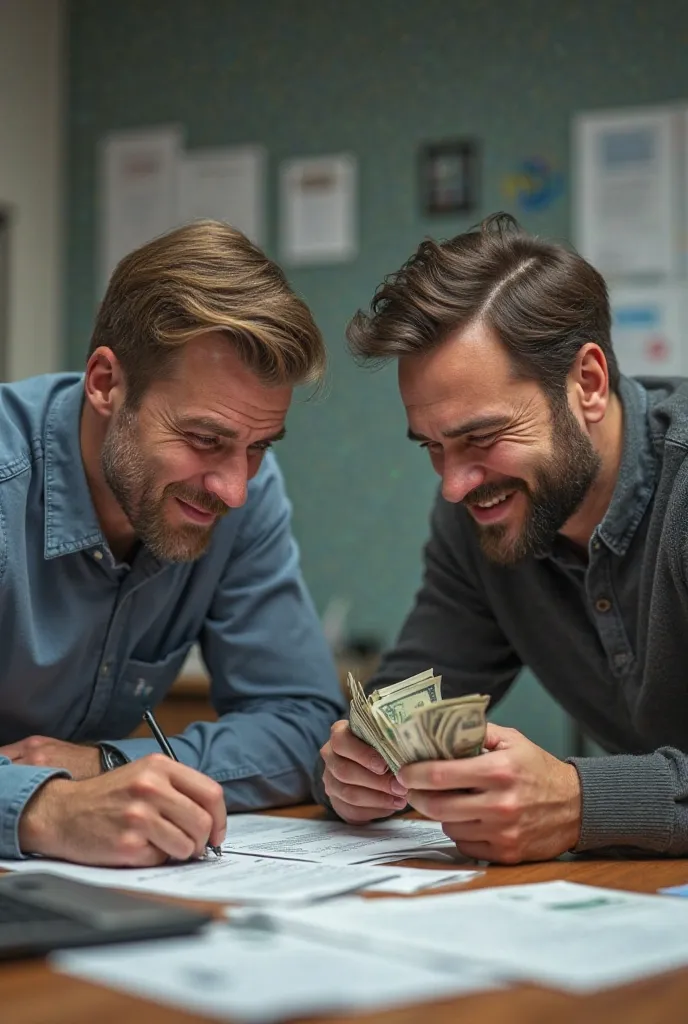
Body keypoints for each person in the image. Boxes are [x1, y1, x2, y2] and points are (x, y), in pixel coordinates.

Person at [318, 213, 688, 864]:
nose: (456, 485)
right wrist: (359, 767)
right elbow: (409, 705)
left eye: (481, 438)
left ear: (589, 384)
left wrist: (581, 799)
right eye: (433, 446)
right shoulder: (479, 519)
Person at [0, 220, 344, 865]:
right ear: (106, 383)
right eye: (205, 440)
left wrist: (108, 764)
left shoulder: (241, 493)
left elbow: (301, 724)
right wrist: (42, 808)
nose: (235, 489)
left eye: (259, 447)